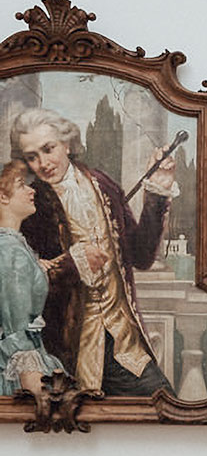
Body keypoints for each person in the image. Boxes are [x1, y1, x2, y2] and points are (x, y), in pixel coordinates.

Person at [8, 107, 176, 397]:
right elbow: (23, 290)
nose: (43, 163)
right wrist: (72, 263)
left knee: (164, 403)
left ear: (68, 144)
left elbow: (142, 256)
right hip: (70, 349)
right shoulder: (31, 209)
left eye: (49, 149)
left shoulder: (104, 185)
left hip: (124, 341)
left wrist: (157, 195)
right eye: (32, 157)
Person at [0, 160, 62, 399]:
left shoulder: (16, 246)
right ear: (3, 197)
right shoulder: (10, 251)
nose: (31, 189)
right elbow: (17, 331)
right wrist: (37, 394)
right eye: (20, 185)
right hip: (19, 367)